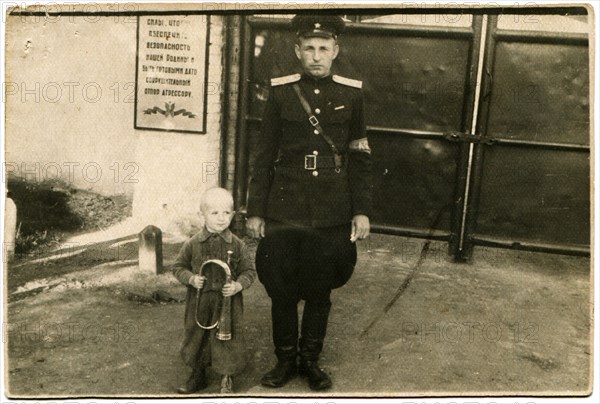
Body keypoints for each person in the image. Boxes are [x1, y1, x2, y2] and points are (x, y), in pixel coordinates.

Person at [246, 15, 372, 391]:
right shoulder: (282, 93)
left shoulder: (352, 94)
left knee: (320, 288)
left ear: (335, 51)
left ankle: (311, 362)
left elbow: (360, 156)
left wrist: (361, 209)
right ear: (297, 51)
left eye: (324, 48)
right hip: (285, 205)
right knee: (281, 286)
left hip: (332, 207)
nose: (316, 56)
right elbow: (263, 155)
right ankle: (285, 361)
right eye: (309, 48)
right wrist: (255, 210)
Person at [173, 187, 256, 394]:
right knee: (197, 335)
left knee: (227, 338)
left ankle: (226, 376)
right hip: (199, 301)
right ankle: (197, 373)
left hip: (228, 302)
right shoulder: (193, 243)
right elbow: (177, 267)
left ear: (233, 214)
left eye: (226, 213)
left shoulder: (238, 245)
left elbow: (249, 271)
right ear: (202, 215)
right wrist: (191, 279)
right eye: (215, 213)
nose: (221, 219)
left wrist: (238, 285)